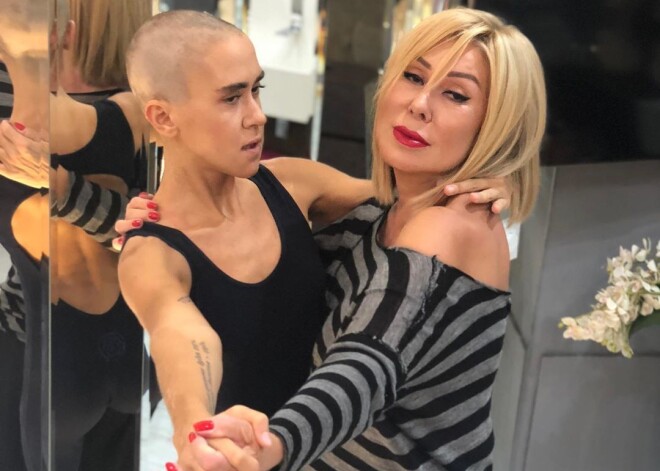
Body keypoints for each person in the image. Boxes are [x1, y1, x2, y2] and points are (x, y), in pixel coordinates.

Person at [113, 9, 513, 471]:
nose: (257, 116)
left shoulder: (293, 183)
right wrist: (192, 428)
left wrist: (486, 176)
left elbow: (410, 201)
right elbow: (181, 337)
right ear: (163, 117)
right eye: (231, 98)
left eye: (256, 90)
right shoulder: (150, 253)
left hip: (312, 449)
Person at [0, 1, 152, 470]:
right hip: (41, 337)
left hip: (98, 345)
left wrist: (65, 191)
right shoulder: (132, 111)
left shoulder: (140, 107)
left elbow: (160, 233)